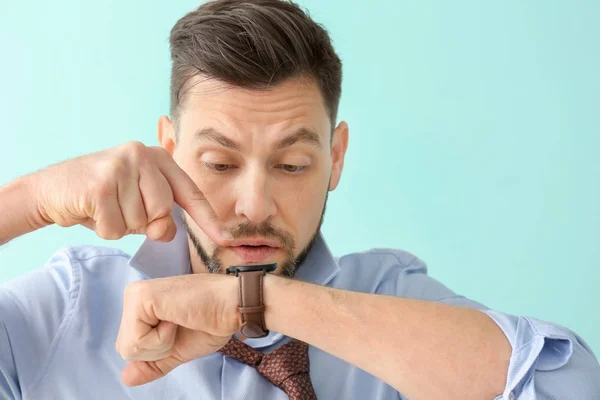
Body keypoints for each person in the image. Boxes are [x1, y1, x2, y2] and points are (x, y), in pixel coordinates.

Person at [1, 0, 599, 399]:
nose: (255, 205)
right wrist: (25, 200)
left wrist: (259, 301)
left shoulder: (390, 302)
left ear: (336, 158)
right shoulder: (65, 311)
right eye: (219, 163)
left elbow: (571, 383)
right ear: (170, 149)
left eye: (292, 164)